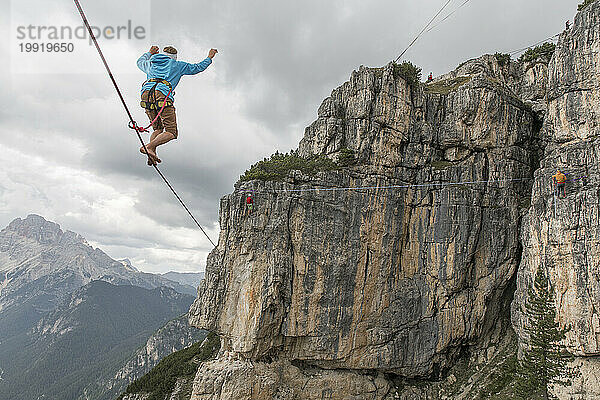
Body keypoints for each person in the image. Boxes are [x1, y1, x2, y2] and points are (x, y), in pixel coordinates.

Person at [136, 45, 218, 165]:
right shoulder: (177, 65)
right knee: (171, 132)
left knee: (158, 129)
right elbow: (197, 67)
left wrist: (149, 53)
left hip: (146, 94)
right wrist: (209, 57)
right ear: (174, 57)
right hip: (162, 94)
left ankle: (151, 153)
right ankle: (148, 147)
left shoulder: (151, 63)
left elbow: (139, 62)